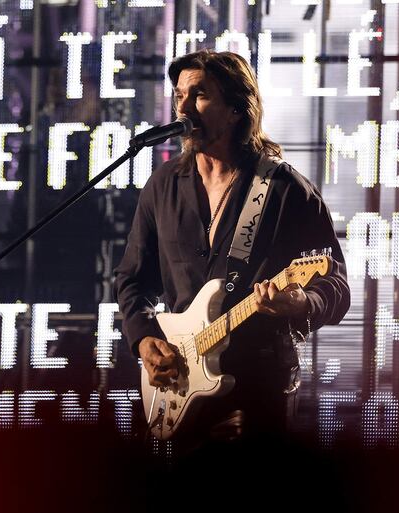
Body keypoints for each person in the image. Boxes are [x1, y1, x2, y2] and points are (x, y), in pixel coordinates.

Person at [114, 49, 350, 448]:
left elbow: (336, 286)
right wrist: (144, 339)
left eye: (200, 94)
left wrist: (302, 304)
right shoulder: (163, 185)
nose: (183, 106)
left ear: (236, 109)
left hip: (259, 390)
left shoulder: (284, 191)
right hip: (181, 387)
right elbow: (131, 280)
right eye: (178, 95)